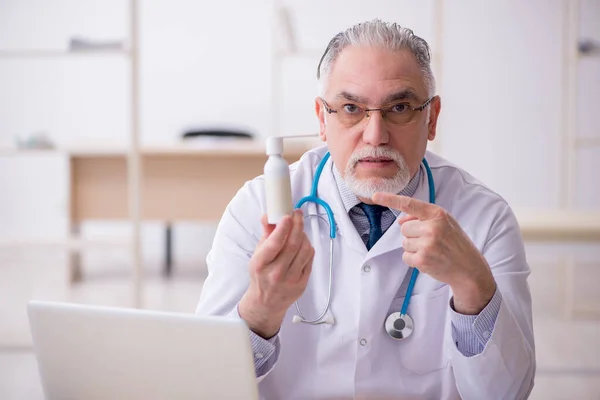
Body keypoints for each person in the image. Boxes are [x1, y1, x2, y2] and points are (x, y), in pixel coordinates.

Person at [195, 18, 535, 400]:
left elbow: (508, 394)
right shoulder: (256, 208)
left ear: (432, 118)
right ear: (323, 119)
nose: (375, 135)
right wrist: (260, 312)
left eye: (400, 107)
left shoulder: (485, 218)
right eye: (352, 108)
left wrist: (473, 286)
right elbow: (207, 385)